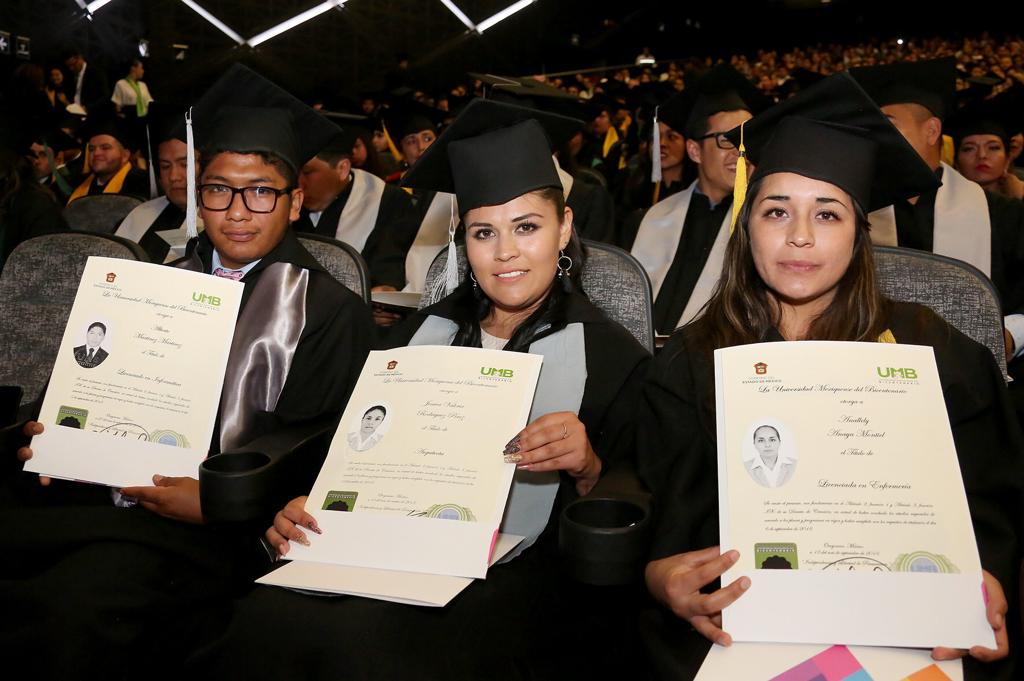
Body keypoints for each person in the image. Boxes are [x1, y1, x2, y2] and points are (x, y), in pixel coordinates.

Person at [200, 98, 651, 681]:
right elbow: (357, 451)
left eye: (527, 227)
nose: (506, 252)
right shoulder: (416, 334)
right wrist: (311, 502)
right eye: (484, 232)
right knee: (263, 621)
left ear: (563, 227)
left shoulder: (613, 358)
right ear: (463, 241)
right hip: (387, 549)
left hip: (522, 575)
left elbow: (625, 503)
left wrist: (587, 466)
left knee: (362, 649)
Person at [637, 73, 1020, 681]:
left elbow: (991, 499)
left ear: (860, 233)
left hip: (906, 626)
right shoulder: (692, 359)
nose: (800, 235)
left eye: (828, 213)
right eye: (776, 211)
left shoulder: (935, 353)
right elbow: (655, 505)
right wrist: (662, 576)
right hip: (738, 628)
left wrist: (987, 575)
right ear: (746, 224)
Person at [1, 64, 375, 679]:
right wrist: (52, 433)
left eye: (261, 191)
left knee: (73, 602)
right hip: (102, 498)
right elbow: (87, 380)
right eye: (218, 190)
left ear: (294, 202)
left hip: (218, 529)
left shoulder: (330, 310)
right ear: (200, 198)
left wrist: (219, 500)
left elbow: (321, 447)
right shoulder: (153, 284)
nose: (237, 211)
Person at [851, 58, 1024, 364]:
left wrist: (1010, 336)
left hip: (975, 375)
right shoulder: (853, 212)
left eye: (887, 124)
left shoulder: (1002, 214)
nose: (874, 137)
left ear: (932, 131)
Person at [622, 65, 768, 336]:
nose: (740, 152)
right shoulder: (652, 219)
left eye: (748, 139)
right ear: (694, 151)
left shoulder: (766, 223)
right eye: (727, 140)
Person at [293, 127, 419, 290]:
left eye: (307, 172)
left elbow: (388, 272)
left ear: (342, 169)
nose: (299, 183)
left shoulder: (388, 202)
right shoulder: (285, 203)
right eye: (294, 173)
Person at [114, 106, 192, 262]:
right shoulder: (141, 214)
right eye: (165, 166)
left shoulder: (221, 224)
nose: (174, 177)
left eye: (185, 164)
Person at [65, 113, 150, 204]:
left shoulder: (144, 184)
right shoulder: (76, 184)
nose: (96, 153)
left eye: (105, 147)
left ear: (125, 155)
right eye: (91, 149)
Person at [61, 48, 110, 116]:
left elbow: (105, 96)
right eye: (69, 66)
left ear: (80, 58)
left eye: (73, 64)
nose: (71, 68)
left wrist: (87, 108)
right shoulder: (69, 75)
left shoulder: (96, 72)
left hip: (93, 115)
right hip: (74, 114)